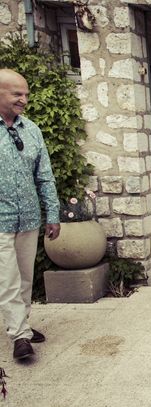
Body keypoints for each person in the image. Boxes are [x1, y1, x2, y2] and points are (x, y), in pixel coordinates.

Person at [0, 69, 60, 360]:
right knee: (7, 279)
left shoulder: (32, 130)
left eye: (25, 94)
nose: (23, 99)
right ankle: (19, 336)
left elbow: (44, 176)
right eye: (16, 94)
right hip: (0, 220)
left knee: (24, 278)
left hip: (28, 219)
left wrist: (53, 213)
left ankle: (20, 323)